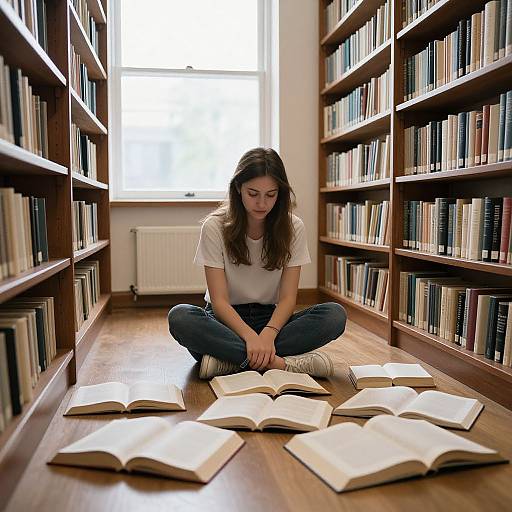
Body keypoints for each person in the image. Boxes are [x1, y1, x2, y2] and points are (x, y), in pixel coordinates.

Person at [168, 147, 346, 379]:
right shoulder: (214, 227)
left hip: (270, 320)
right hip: (224, 321)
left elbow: (288, 299)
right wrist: (251, 338)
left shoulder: (294, 228)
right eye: (253, 193)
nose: (262, 203)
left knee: (334, 316)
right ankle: (280, 364)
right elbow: (220, 302)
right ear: (238, 188)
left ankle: (229, 362)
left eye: (270, 195)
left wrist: (268, 334)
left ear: (280, 194)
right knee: (180, 317)